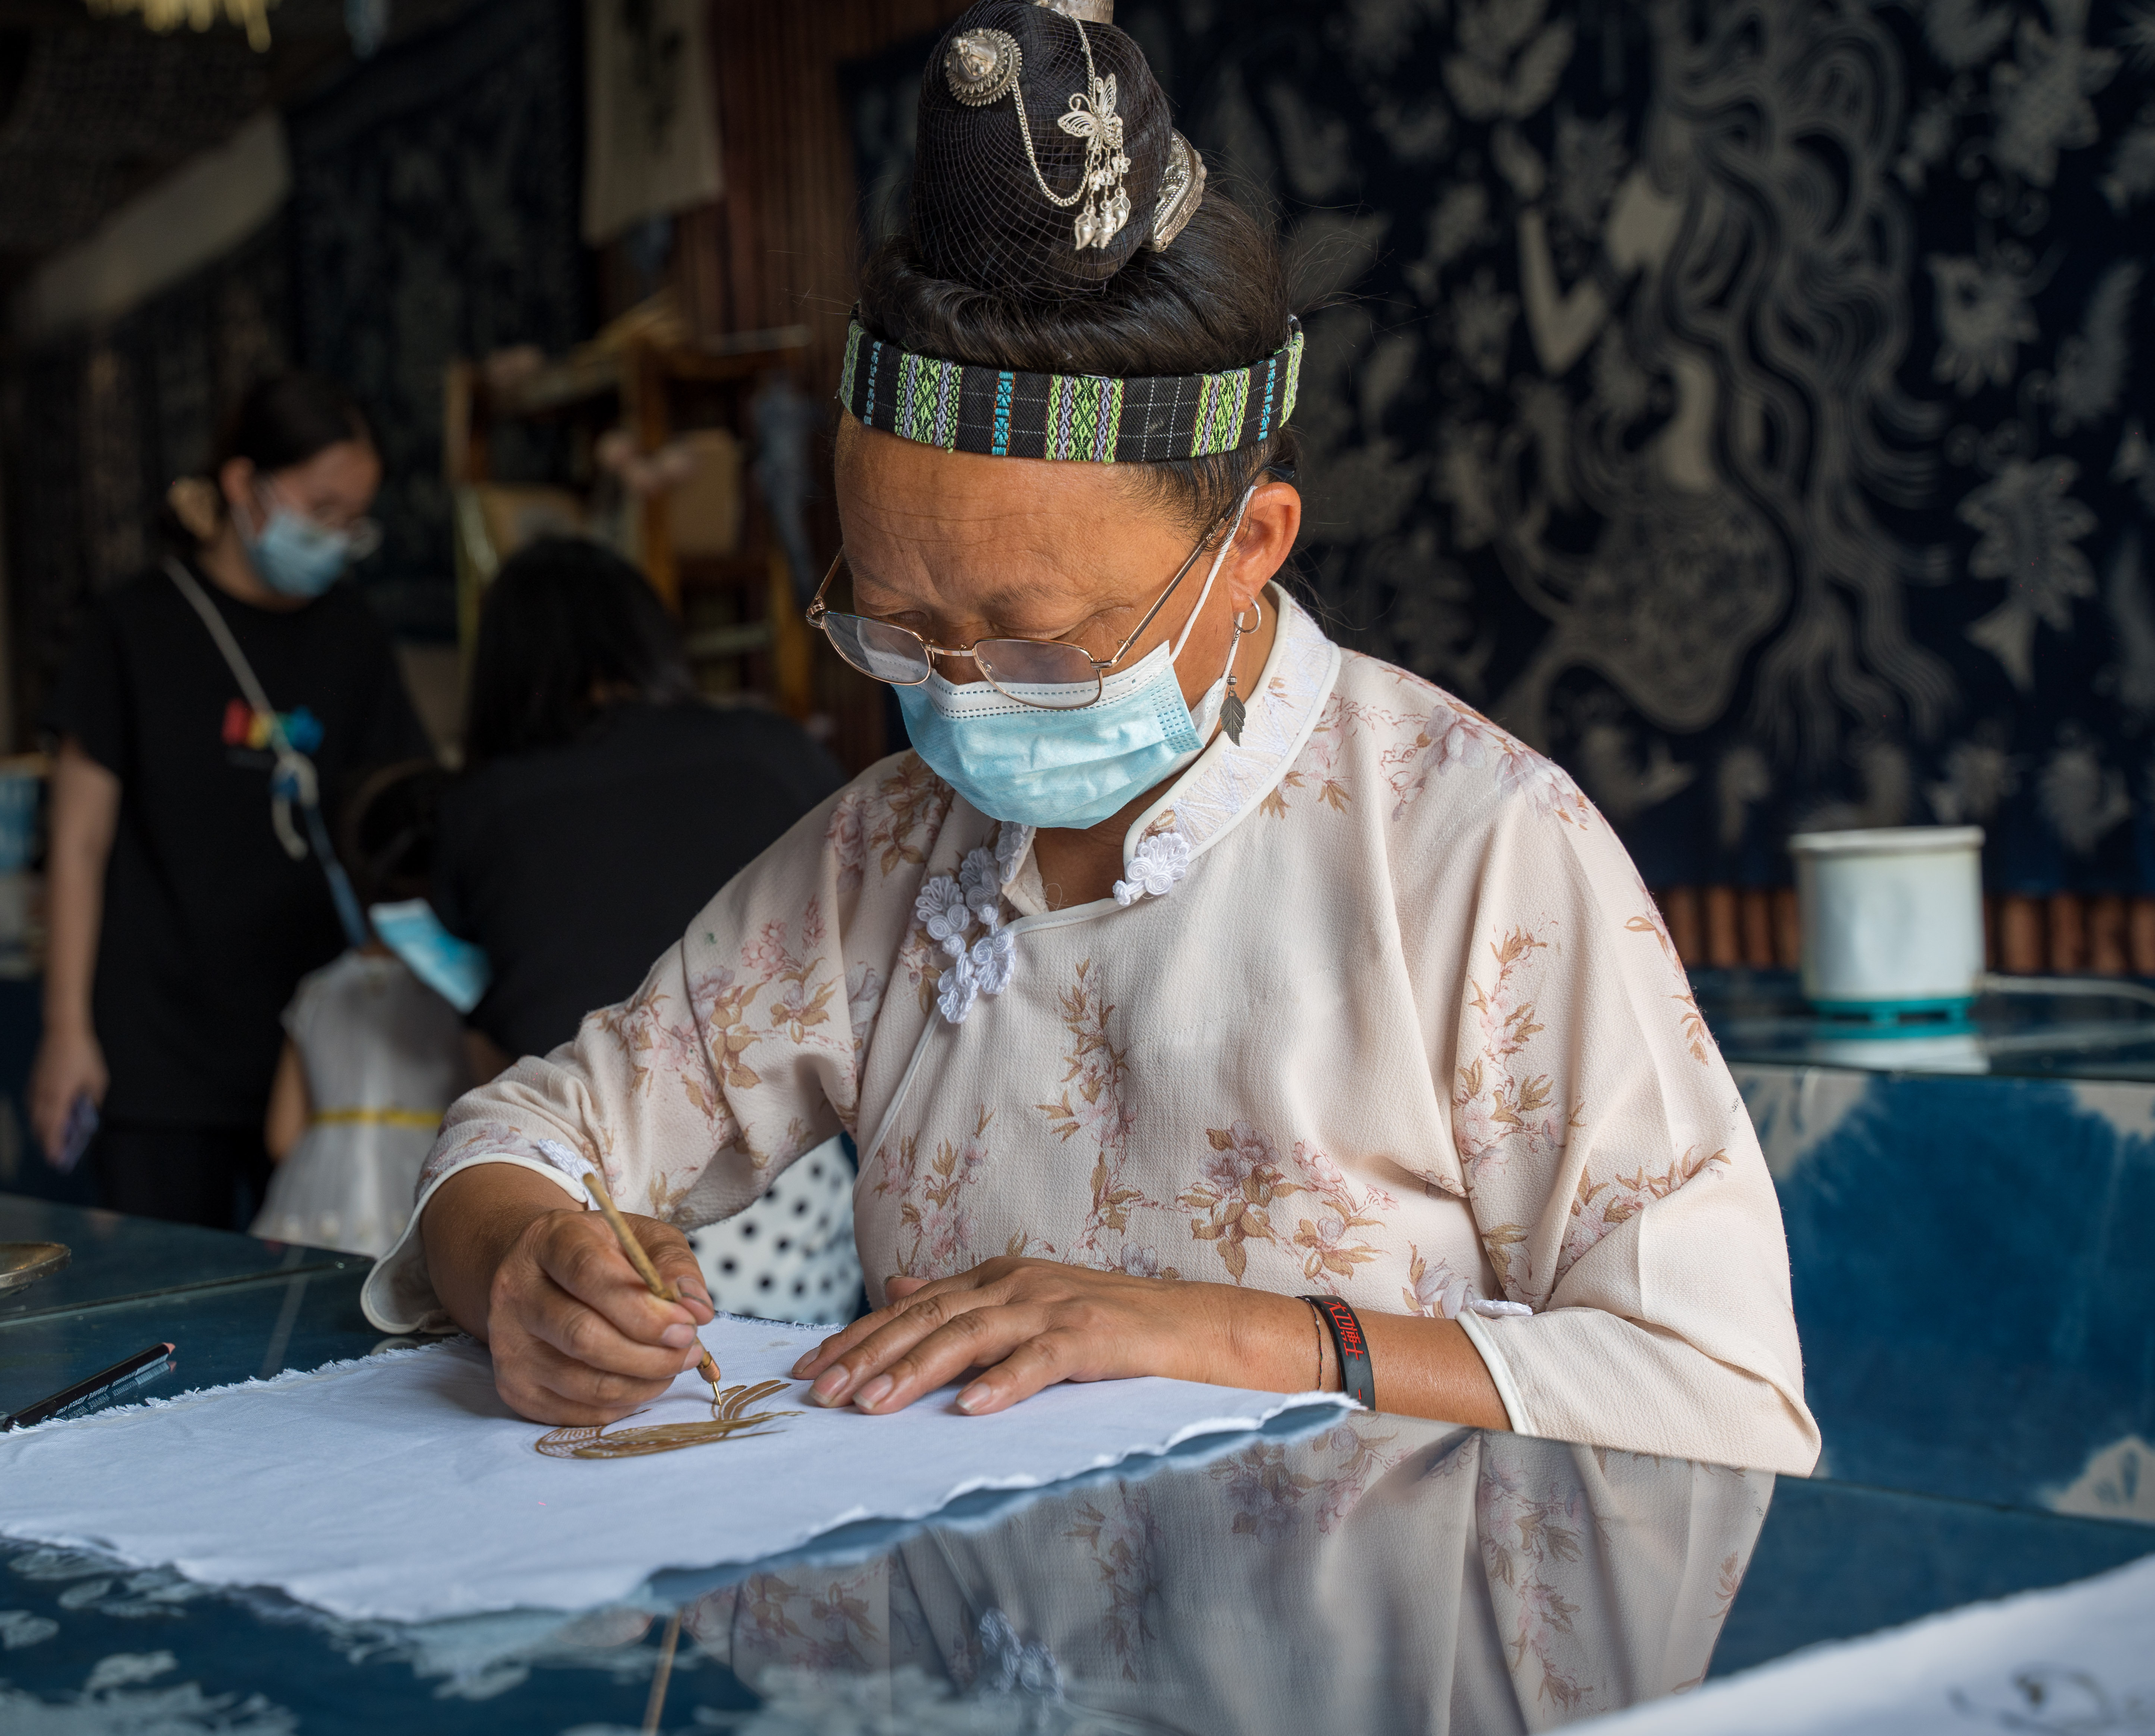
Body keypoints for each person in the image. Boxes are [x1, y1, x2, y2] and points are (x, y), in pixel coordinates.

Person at [366, 0, 1817, 1475]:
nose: (960, 694)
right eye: (897, 626)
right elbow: (528, 1134)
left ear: (1249, 546)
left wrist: (1221, 1336)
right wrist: (524, 1265)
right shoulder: (886, 856)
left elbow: (1717, 1388)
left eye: (1038, 641)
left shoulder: (1469, 850)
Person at [32, 374, 433, 1229]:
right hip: (159, 1047)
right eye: (320, 509)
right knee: (169, 1285)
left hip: (319, 1045)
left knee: (325, 1288)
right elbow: (77, 845)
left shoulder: (352, 633)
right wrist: (66, 1030)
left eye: (354, 520)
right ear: (243, 483)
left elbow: (401, 818)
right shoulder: (132, 628)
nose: (335, 538)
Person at [432, 537, 845, 1072]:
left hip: (577, 1107)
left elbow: (471, 1024)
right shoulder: (773, 749)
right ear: (652, 637)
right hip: (796, 1091)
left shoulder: (478, 807)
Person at [252, 763, 471, 1258]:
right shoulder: (458, 989)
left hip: (316, 1203)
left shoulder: (317, 991)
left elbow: (282, 1135)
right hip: (425, 1181)